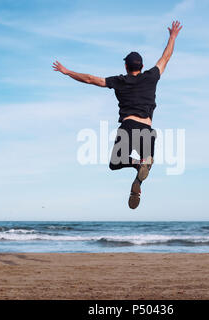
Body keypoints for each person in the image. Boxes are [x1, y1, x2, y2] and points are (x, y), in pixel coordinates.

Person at [52, 21, 183, 209]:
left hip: (128, 127)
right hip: (147, 129)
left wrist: (67, 72)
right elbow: (166, 57)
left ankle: (138, 165)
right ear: (142, 65)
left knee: (115, 162)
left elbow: (90, 79)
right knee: (149, 162)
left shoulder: (119, 81)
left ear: (126, 66)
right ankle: (140, 174)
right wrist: (172, 37)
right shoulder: (151, 76)